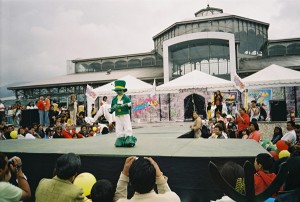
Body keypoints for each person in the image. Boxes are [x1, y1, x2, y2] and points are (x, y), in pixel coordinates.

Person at [114, 156, 180, 202]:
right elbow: (168, 196)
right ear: (154, 181)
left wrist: (124, 174)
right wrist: (160, 176)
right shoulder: (173, 198)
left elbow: (119, 199)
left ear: (130, 183)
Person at [109, 80, 137, 147]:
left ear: (123, 90)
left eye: (120, 90)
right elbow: (111, 109)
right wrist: (113, 108)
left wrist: (128, 105)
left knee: (127, 126)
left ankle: (129, 139)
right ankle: (120, 139)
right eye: (117, 90)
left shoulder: (126, 98)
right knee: (119, 127)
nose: (118, 92)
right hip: (117, 115)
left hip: (125, 114)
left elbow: (130, 106)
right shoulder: (114, 99)